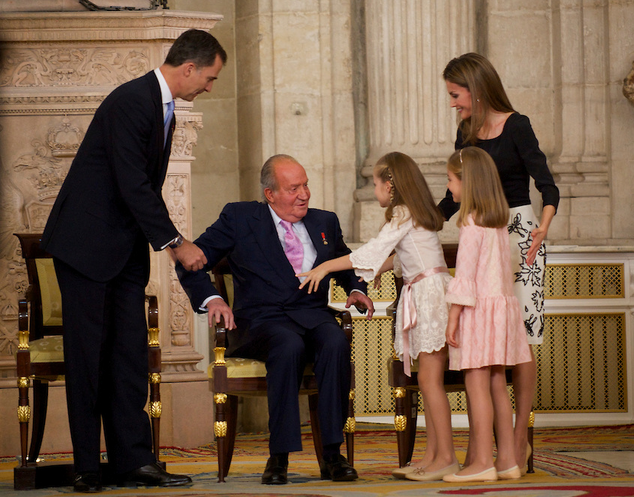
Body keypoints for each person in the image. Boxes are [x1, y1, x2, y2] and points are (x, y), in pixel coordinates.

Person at [40, 29, 226, 493]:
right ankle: (87, 466)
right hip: (86, 248)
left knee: (128, 358)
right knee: (88, 360)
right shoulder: (131, 101)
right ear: (189, 68)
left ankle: (133, 462)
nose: (210, 86)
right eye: (209, 77)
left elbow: (141, 187)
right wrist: (176, 242)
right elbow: (132, 183)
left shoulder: (161, 107)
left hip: (122, 251)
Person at [175, 155, 375, 485]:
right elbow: (191, 260)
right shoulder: (239, 218)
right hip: (261, 321)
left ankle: (332, 455)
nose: (304, 194)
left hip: (312, 316)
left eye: (306, 185)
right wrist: (213, 299)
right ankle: (278, 456)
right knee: (287, 343)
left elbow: (346, 264)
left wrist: (355, 289)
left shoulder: (325, 221)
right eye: (294, 188)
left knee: (335, 340)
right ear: (270, 194)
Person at [298, 152, 459, 481]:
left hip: (428, 297)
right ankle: (432, 457)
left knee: (430, 381)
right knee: (426, 382)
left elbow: (370, 251)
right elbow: (405, 254)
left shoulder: (402, 213)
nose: (374, 190)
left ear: (390, 185)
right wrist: (382, 270)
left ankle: (446, 458)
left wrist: (326, 266)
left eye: (374, 183)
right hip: (427, 292)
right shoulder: (415, 212)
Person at [440, 52, 559, 472]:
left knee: (520, 340)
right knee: (483, 342)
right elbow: (454, 193)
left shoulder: (518, 125)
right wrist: (421, 221)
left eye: (456, 95)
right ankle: (489, 448)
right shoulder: (465, 133)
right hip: (481, 228)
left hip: (521, 235)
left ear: (476, 89)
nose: (453, 103)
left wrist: (542, 229)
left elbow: (547, 186)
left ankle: (519, 438)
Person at [443, 147, 532, 483]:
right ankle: (507, 460)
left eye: (451, 180)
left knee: (476, 383)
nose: (449, 187)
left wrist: (453, 317)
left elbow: (465, 276)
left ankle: (482, 461)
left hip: (478, 310)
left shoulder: (470, 222)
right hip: (502, 310)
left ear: (467, 182)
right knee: (497, 383)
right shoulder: (496, 221)